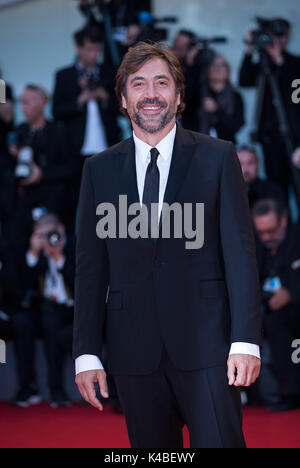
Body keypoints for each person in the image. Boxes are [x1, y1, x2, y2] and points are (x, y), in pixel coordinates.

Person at [73, 42, 262, 449]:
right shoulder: (98, 169)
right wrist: (86, 353)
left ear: (178, 95)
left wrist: (245, 341)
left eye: (162, 82)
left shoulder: (218, 157)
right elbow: (90, 269)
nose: (151, 94)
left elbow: (240, 256)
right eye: (138, 84)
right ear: (123, 99)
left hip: (209, 347)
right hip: (133, 350)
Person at [12, 214, 75, 408]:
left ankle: (57, 389)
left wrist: (58, 258)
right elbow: (21, 288)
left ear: (61, 230)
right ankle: (28, 387)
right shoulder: (32, 253)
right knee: (21, 321)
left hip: (70, 307)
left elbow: (81, 286)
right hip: (41, 306)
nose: (47, 239)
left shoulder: (74, 246)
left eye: (51, 233)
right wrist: (33, 253)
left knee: (51, 321)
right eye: (41, 234)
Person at [8, 85, 75, 249]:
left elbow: (71, 167)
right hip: (24, 204)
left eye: (27, 103)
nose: (23, 109)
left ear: (42, 103)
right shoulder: (19, 132)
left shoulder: (59, 131)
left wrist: (42, 174)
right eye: (21, 103)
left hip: (53, 204)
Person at [239, 19, 300, 198]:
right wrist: (249, 49)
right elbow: (244, 80)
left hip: (294, 139)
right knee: (277, 189)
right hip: (270, 137)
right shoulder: (262, 65)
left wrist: (279, 60)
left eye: (281, 35)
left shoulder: (295, 64)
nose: (277, 40)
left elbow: (296, 97)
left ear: (288, 38)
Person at [252, 198, 300, 411]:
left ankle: (291, 393)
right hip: (267, 308)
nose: (267, 238)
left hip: (293, 307)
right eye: (261, 233)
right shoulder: (256, 244)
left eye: (271, 231)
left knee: (280, 322)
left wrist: (291, 294)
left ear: (283, 220)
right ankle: (260, 393)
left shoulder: (297, 237)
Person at [184, 55, 244, 142]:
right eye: (213, 65)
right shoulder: (197, 93)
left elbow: (236, 126)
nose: (217, 68)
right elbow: (185, 115)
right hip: (197, 145)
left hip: (225, 146)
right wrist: (192, 65)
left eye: (221, 65)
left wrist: (216, 111)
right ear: (207, 70)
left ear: (228, 71)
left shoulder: (235, 96)